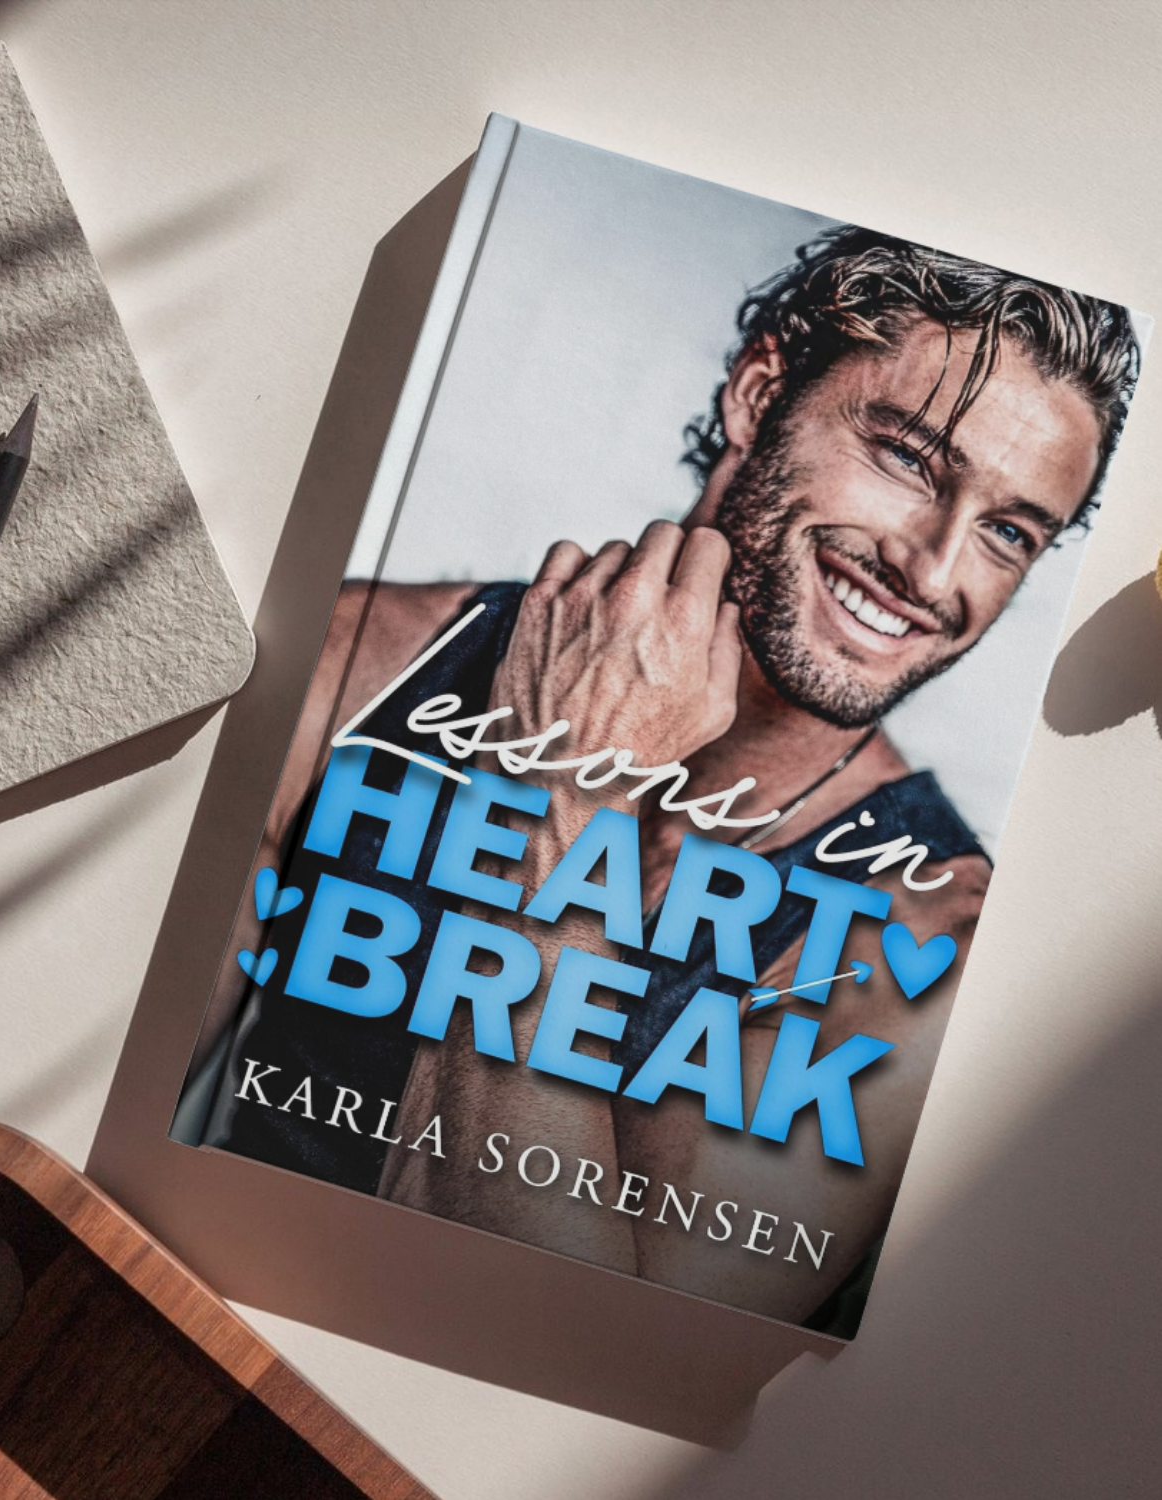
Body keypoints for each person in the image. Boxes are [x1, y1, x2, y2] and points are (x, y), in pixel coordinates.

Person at [201, 226, 1139, 1327]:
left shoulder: (925, 939)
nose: (934, 570)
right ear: (757, 393)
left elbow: (578, 1341)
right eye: (909, 459)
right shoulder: (358, 667)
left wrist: (560, 786)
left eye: (1010, 533)